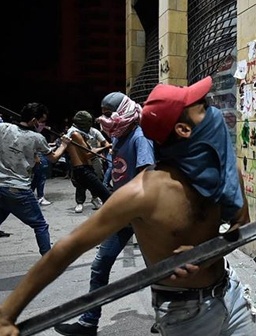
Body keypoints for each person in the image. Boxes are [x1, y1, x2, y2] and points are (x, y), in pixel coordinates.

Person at [0, 77, 256, 336]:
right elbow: (68, 247)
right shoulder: (143, 193)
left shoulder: (226, 169)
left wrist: (207, 253)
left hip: (232, 295)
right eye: (203, 108)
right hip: (185, 314)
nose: (214, 112)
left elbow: (242, 226)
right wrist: (7, 315)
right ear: (184, 130)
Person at [54, 92, 156, 336]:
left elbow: (146, 178)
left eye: (110, 114)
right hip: (122, 215)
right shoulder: (119, 135)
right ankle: (89, 322)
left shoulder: (140, 137)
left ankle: (167, 316)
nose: (106, 119)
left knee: (157, 269)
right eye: (104, 114)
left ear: (124, 111)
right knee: (100, 265)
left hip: (143, 216)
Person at [0, 102, 70, 253]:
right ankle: (49, 262)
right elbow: (53, 158)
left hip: (1, 186)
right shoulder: (37, 138)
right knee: (40, 225)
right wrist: (64, 144)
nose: (43, 125)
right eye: (42, 121)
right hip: (18, 188)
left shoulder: (3, 128)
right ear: (34, 121)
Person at [65, 110, 112, 213]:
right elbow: (87, 154)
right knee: (82, 185)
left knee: (99, 178)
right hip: (82, 166)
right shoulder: (75, 133)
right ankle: (80, 202)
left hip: (90, 162)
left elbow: (103, 142)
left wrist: (107, 147)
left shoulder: (91, 132)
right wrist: (104, 148)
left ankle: (96, 199)